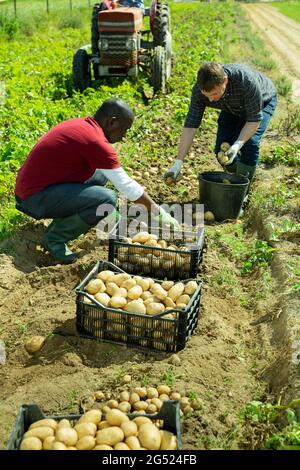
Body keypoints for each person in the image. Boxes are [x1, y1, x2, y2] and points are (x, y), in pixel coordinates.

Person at [15, 98, 179, 264]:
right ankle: (54, 239)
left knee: (101, 174)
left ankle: (75, 219)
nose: (124, 136)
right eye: (124, 130)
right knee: (106, 199)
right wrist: (159, 214)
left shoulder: (83, 125)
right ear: (112, 122)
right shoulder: (95, 141)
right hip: (33, 198)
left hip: (38, 187)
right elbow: (127, 186)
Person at [164, 62, 277, 189]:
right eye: (207, 96)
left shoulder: (246, 81)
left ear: (225, 81)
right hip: (231, 107)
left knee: (250, 143)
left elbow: (254, 120)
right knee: (222, 150)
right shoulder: (199, 92)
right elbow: (190, 127)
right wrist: (178, 162)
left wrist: (238, 144)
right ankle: (238, 173)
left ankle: (243, 192)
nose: (211, 100)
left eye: (214, 94)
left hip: (263, 101)